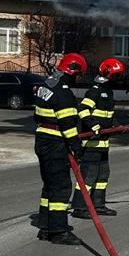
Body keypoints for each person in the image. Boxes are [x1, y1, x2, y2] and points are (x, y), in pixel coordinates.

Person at [33, 52, 87, 245]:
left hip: (42, 140)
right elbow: (68, 125)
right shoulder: (64, 92)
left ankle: (45, 226)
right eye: (78, 74)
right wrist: (76, 147)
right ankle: (59, 231)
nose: (78, 79)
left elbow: (37, 116)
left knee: (49, 186)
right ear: (73, 71)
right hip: (55, 144)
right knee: (61, 188)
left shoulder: (46, 85)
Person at [73, 57, 124, 218]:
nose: (118, 79)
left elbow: (107, 116)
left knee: (103, 175)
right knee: (88, 176)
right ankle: (80, 207)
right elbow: (82, 110)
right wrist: (95, 127)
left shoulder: (108, 92)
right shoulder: (94, 91)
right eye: (116, 76)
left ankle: (98, 204)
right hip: (91, 144)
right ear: (107, 72)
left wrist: (115, 126)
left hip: (103, 143)